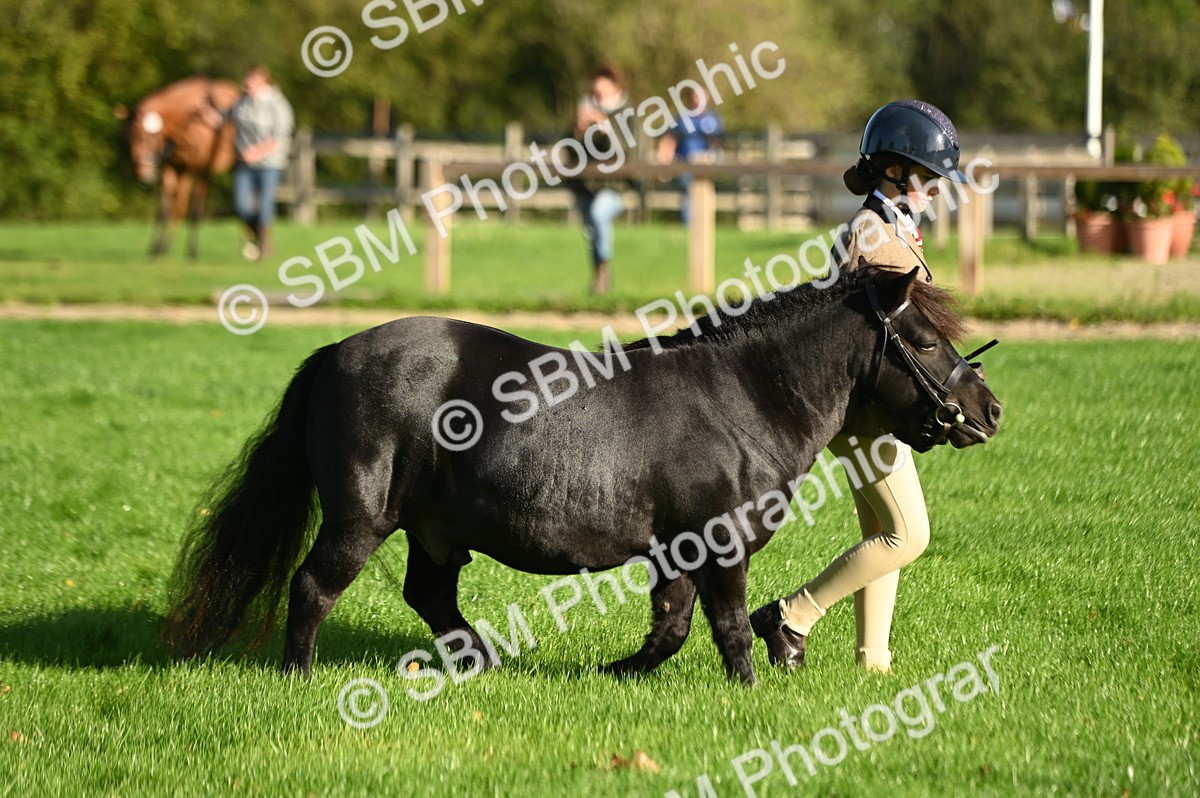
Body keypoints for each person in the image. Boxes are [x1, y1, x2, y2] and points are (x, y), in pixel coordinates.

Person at [749, 100, 967, 674]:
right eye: (928, 179)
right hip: (867, 410)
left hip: (871, 409)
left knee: (880, 530)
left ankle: (873, 660)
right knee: (909, 534)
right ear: (894, 170)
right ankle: (792, 616)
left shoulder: (888, 226)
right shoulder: (872, 236)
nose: (936, 192)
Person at [203, 65, 294, 260]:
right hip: (244, 164)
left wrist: (256, 152)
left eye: (250, 81)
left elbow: (279, 138)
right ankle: (255, 233)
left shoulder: (277, 105)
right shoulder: (243, 102)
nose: (246, 84)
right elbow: (225, 116)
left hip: (269, 164)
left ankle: (263, 242)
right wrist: (209, 116)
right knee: (241, 205)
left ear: (263, 82)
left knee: (264, 207)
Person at [569, 65, 630, 294]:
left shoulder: (627, 113)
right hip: (587, 185)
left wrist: (606, 128)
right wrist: (578, 130)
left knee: (597, 214)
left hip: (616, 185)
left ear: (615, 87)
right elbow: (571, 152)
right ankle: (600, 273)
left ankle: (602, 268)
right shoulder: (585, 110)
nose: (598, 96)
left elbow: (626, 150)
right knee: (591, 231)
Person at [656, 87, 723, 224]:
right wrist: (664, 160)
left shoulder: (713, 119)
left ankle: (703, 225)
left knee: (704, 194)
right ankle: (689, 226)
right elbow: (670, 140)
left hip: (706, 165)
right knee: (688, 193)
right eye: (696, 96)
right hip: (684, 164)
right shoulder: (682, 119)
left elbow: (718, 143)